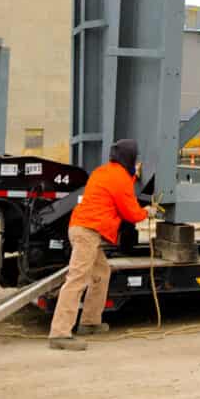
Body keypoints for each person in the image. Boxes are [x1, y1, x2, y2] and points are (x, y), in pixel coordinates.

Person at [49, 139, 148, 350]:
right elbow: (131, 212)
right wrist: (147, 212)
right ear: (129, 158)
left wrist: (132, 177)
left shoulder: (103, 172)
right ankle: (59, 333)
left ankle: (90, 321)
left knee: (101, 273)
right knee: (77, 279)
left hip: (81, 228)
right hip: (88, 232)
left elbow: (117, 189)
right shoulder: (120, 179)